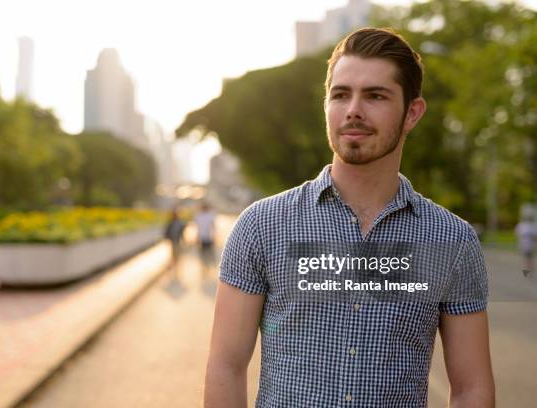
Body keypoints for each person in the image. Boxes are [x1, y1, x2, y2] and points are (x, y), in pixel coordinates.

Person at [205, 28, 494, 407]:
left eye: (375, 96)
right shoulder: (262, 225)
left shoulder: (452, 240)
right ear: (326, 105)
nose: (353, 109)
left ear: (412, 113)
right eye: (341, 94)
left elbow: (472, 388)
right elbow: (226, 366)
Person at [194, 202, 217, 275]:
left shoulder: (200, 216)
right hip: (204, 237)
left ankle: (207, 266)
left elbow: (213, 227)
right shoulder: (207, 216)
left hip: (206, 237)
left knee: (206, 252)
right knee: (206, 252)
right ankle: (206, 266)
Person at [164, 207, 186, 279]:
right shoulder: (176, 223)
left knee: (174, 255)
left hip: (175, 241)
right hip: (175, 241)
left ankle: (173, 267)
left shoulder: (172, 223)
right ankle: (173, 267)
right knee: (175, 256)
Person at [515, 212, 536, 277]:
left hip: (528, 245)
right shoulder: (522, 225)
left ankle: (528, 271)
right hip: (525, 245)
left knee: (528, 259)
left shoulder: (530, 226)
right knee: (528, 259)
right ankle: (528, 271)